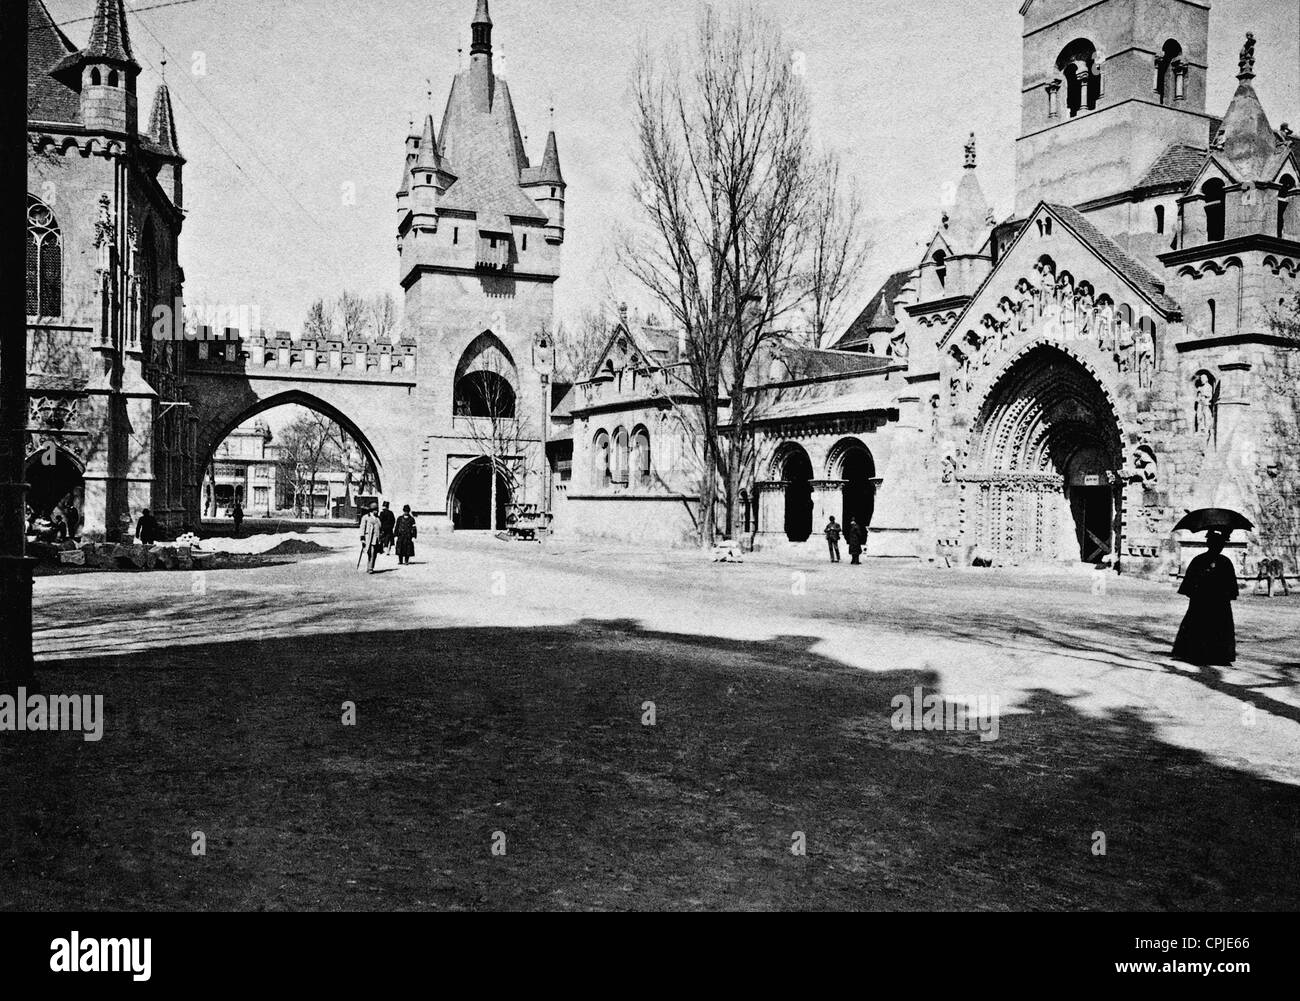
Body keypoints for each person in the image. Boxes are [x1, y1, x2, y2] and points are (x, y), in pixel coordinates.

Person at [1172, 530, 1239, 666]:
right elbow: (1190, 582)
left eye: (1220, 545)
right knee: (1204, 626)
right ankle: (1201, 653)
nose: (1218, 547)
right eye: (1216, 544)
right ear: (1210, 545)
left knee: (1212, 627)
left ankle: (1214, 654)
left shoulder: (1223, 562)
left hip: (1214, 603)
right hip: (1206, 602)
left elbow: (1230, 583)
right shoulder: (1202, 561)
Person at [359, 504, 382, 574]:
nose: (377, 511)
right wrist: (362, 538)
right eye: (376, 510)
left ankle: (370, 567)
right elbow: (362, 527)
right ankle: (370, 568)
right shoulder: (366, 517)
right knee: (370, 553)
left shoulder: (377, 518)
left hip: (376, 539)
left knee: (374, 554)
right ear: (372, 510)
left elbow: (380, 527)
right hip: (369, 538)